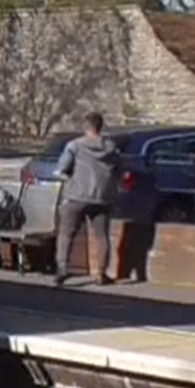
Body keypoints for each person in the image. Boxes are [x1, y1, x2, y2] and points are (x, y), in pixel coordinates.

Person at [53, 111, 120, 286]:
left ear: (85, 127)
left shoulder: (74, 146)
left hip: (76, 195)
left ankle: (62, 268)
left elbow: (61, 169)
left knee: (66, 233)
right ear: (100, 127)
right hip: (101, 198)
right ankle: (101, 273)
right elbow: (119, 169)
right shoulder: (111, 148)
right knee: (102, 236)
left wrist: (67, 178)